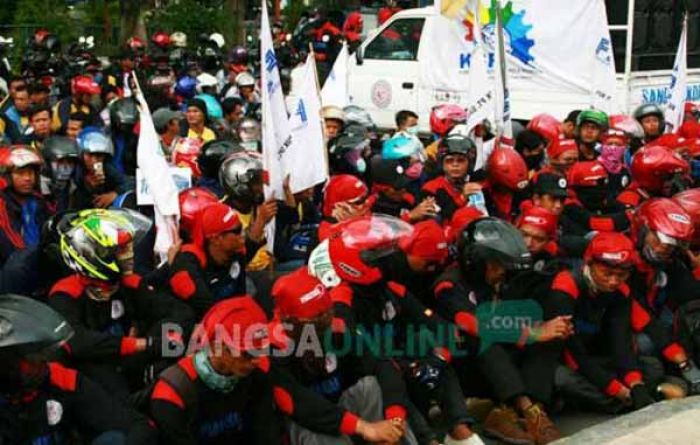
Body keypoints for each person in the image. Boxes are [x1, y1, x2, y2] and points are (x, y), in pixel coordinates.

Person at [433, 217, 563, 444]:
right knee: (482, 338)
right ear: (475, 261)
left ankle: (513, 412)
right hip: (464, 365)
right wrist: (531, 333)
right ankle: (525, 406)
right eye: (496, 264)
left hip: (502, 363)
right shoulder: (448, 286)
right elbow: (474, 324)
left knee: (549, 338)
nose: (502, 270)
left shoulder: (498, 279)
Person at [49, 209, 194, 397]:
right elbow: (78, 343)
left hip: (127, 363)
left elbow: (180, 312)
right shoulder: (64, 294)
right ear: (93, 254)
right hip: (91, 376)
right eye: (121, 249)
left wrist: (163, 341)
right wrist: (141, 344)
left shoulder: (129, 283)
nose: (130, 255)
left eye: (129, 246)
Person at [270, 268, 414, 445]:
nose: (327, 321)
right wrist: (364, 427)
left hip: (342, 406)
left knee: (369, 387)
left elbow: (381, 363)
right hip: (309, 422)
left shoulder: (335, 329)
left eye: (328, 312)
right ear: (290, 321)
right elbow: (302, 406)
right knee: (316, 435)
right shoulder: (273, 350)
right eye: (317, 318)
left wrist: (395, 419)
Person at [0, 294, 155, 444]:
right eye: (30, 359)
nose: (42, 361)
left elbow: (136, 425)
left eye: (40, 353)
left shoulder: (57, 377)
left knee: (115, 439)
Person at [547, 232, 674, 413]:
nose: (613, 281)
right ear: (590, 264)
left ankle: (635, 396)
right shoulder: (566, 286)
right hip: (569, 359)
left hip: (599, 354)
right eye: (606, 273)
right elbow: (574, 354)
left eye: (621, 275)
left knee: (653, 366)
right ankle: (630, 402)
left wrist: (635, 383)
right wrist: (620, 391)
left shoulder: (620, 291)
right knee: (562, 378)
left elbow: (621, 342)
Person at [149, 296, 282, 444]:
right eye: (247, 353)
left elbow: (264, 433)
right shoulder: (173, 396)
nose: (256, 360)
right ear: (215, 346)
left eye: (261, 349)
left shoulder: (258, 374)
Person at [168, 202, 262, 317]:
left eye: (241, 228)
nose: (242, 235)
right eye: (237, 231)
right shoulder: (187, 264)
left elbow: (251, 244)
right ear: (216, 238)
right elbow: (206, 308)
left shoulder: (237, 251)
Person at [0, 147, 50, 265]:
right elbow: (10, 246)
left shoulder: (39, 201)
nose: (28, 178)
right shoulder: (3, 207)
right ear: (7, 177)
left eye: (31, 172)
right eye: (20, 173)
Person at [421, 132, 481, 224]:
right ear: (442, 164)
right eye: (449, 160)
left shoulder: (477, 185)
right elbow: (440, 220)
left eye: (460, 160)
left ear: (469, 164)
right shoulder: (430, 189)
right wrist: (462, 198)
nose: (455, 165)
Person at [617, 144, 690, 208]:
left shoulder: (670, 193)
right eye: (668, 176)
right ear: (651, 177)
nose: (672, 181)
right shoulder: (630, 199)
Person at [72, 127, 127, 210]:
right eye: (90, 155)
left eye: (99, 156)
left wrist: (114, 194)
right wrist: (87, 186)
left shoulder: (107, 168)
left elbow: (128, 182)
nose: (94, 160)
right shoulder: (74, 167)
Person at [40, 135, 79, 212]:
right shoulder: (35, 191)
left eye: (70, 162)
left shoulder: (76, 190)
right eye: (60, 162)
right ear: (47, 164)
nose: (65, 169)